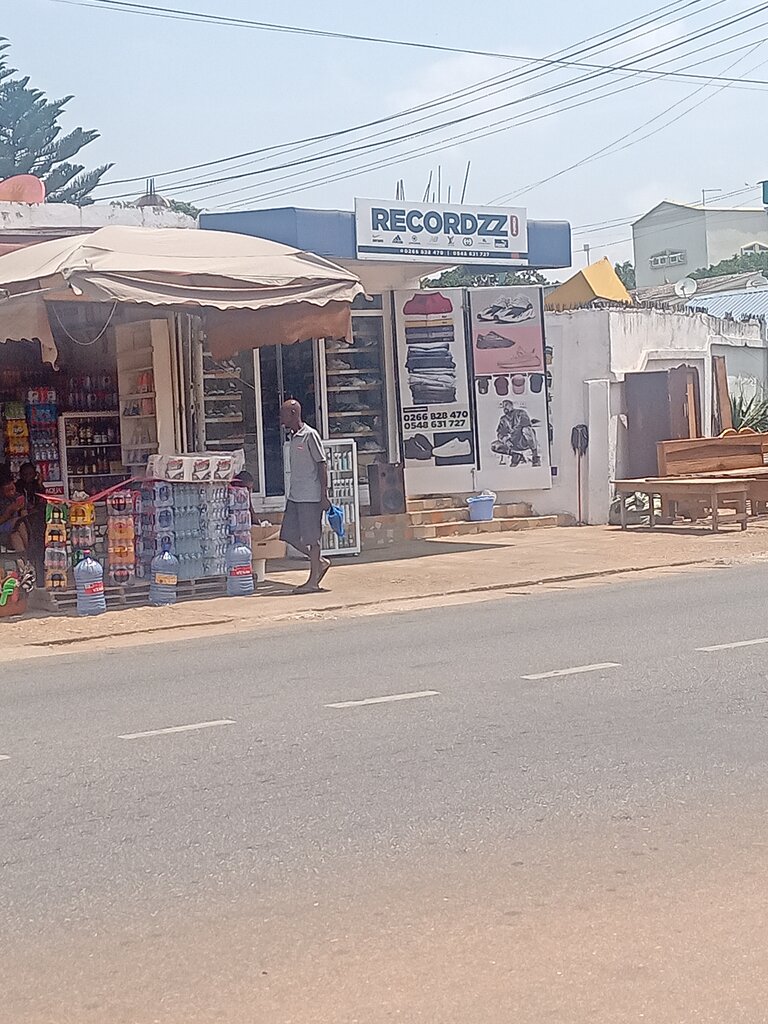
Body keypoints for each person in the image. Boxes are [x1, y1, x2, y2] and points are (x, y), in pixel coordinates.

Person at [278, 399, 331, 594]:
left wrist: (324, 494)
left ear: (293, 413)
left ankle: (313, 581)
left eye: (284, 413)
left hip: (310, 496)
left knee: (312, 538)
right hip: (295, 495)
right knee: (289, 535)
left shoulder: (310, 435)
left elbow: (322, 464)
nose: (281, 418)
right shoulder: (293, 437)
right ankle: (320, 562)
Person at [0, 475, 29, 552]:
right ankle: (31, 550)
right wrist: (8, 512)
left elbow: (25, 516)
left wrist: (23, 508)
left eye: (13, 489)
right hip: (2, 530)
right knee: (18, 521)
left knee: (15, 536)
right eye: (8, 490)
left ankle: (25, 560)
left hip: (14, 530)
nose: (12, 492)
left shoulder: (17, 496)